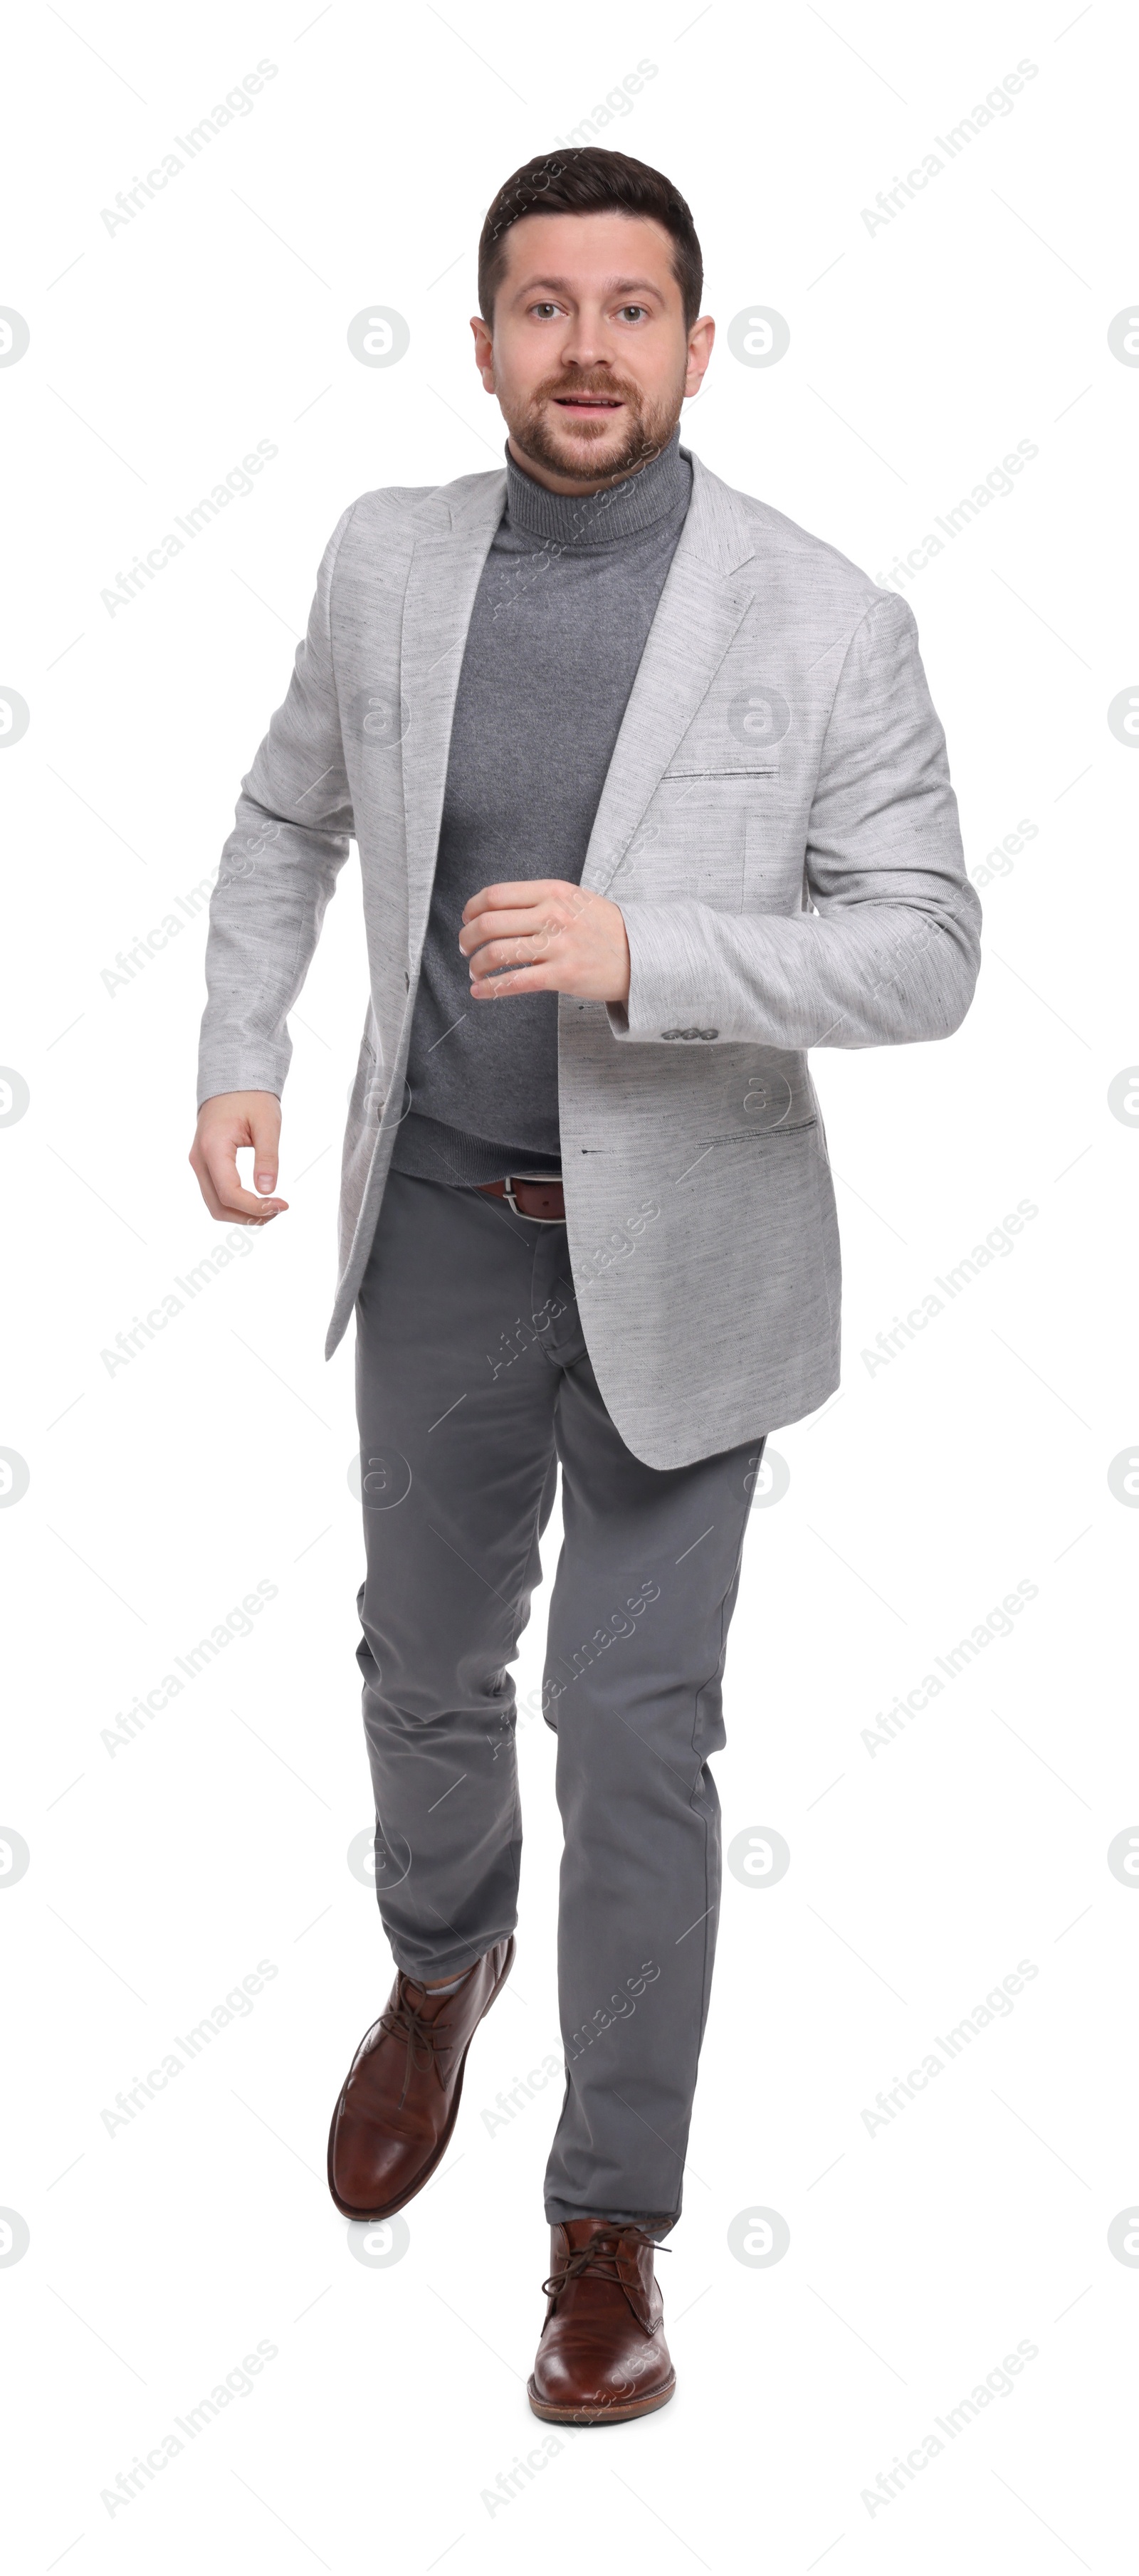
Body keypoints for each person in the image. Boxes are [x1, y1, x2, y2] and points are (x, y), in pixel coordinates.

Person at [190, 145, 981, 2424]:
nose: (588, 349)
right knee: (424, 1672)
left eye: (634, 309)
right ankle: (444, 1961)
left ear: (699, 345)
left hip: (689, 1261)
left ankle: (608, 2215)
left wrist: (653, 958)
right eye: (544, 307)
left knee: (636, 1737)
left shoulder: (825, 616)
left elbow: (927, 946)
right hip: (434, 1215)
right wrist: (241, 1050)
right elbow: (282, 816)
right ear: (483, 342)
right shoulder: (388, 557)